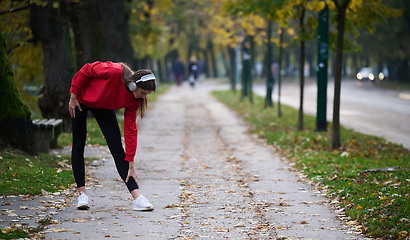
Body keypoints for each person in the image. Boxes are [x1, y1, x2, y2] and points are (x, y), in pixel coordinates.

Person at [68, 61, 156, 211]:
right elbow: (86, 70)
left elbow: (130, 130)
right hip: (81, 99)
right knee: (78, 144)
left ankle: (138, 198)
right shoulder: (115, 71)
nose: (142, 98)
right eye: (143, 93)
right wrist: (73, 96)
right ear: (134, 85)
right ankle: (82, 195)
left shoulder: (134, 100)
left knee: (116, 148)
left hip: (104, 106)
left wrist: (131, 162)